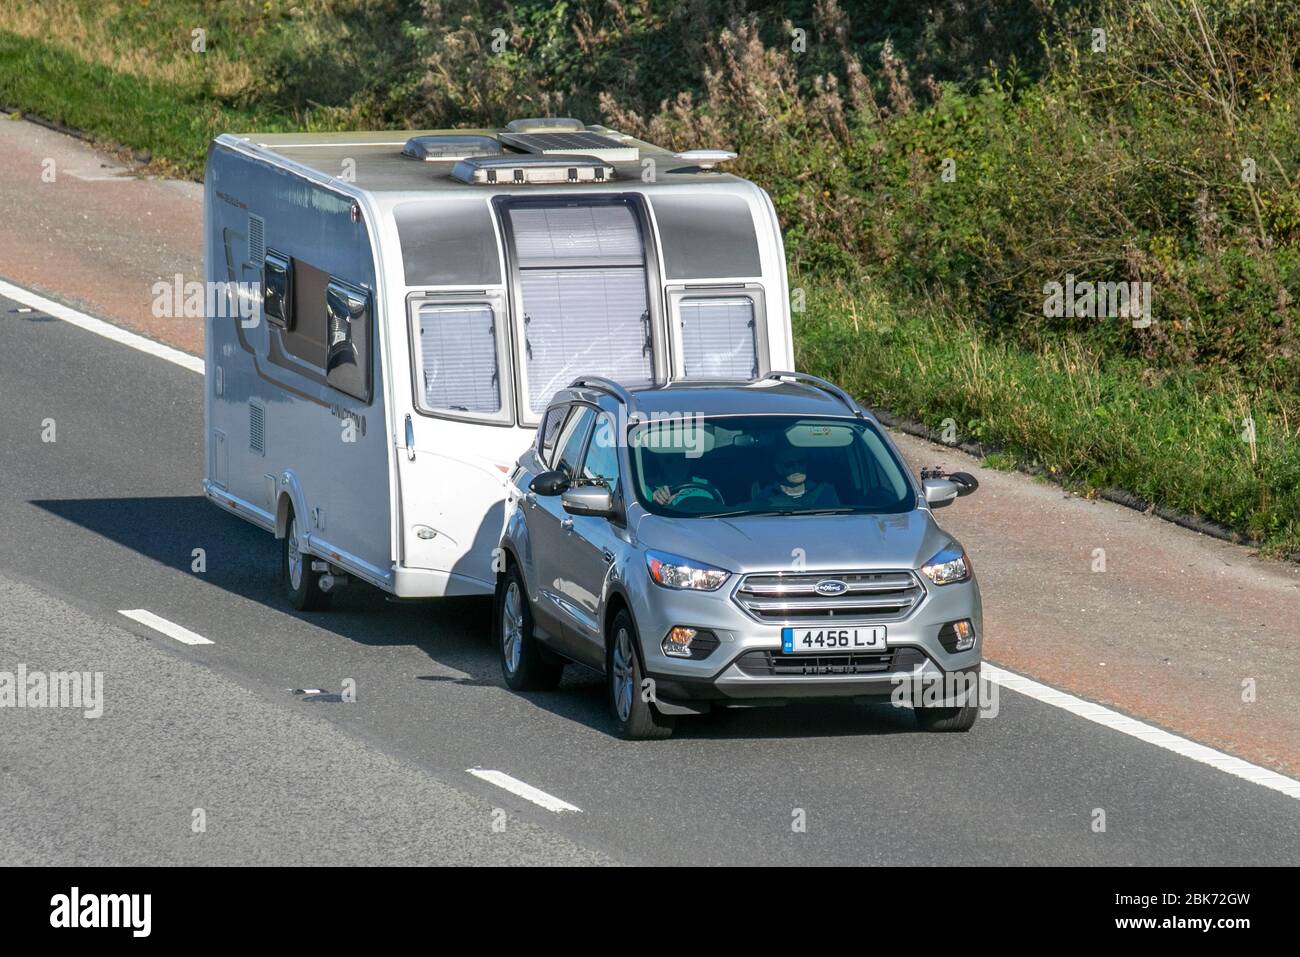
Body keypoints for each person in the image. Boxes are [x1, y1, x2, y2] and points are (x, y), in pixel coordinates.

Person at [752, 451, 840, 508]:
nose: (797, 468)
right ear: (778, 468)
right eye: (789, 464)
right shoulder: (766, 494)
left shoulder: (826, 491)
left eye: (801, 462)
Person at [648, 452, 723, 507]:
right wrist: (655, 504)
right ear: (660, 460)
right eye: (669, 460)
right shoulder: (644, 490)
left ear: (689, 459)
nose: (677, 464)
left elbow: (719, 515)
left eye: (682, 458)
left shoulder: (707, 487)